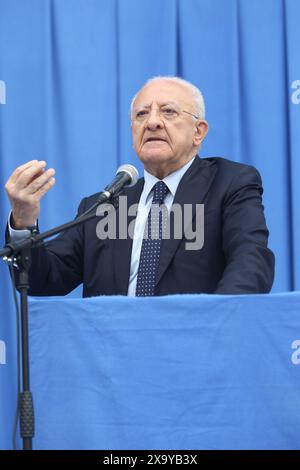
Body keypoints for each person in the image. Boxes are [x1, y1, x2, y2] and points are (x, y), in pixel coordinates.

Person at [5, 76, 275, 296]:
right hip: (108, 356)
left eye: (168, 112)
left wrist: (211, 327)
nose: (153, 122)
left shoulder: (229, 184)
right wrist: (23, 219)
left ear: (199, 131)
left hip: (195, 353)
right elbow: (42, 279)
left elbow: (251, 262)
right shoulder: (104, 206)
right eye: (141, 114)